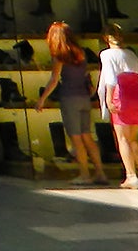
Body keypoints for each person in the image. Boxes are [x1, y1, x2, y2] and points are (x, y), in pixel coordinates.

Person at [35, 21, 108, 185]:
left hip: (69, 98)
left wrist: (42, 99)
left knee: (76, 139)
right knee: (87, 137)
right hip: (83, 98)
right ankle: (100, 173)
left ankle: (84, 174)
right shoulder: (80, 53)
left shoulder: (59, 56)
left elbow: (54, 80)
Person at [98, 24, 138, 189]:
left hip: (122, 94)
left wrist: (109, 99)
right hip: (137, 94)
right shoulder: (131, 54)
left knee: (122, 138)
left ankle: (131, 175)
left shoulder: (106, 55)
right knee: (134, 138)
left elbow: (111, 78)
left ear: (106, 38)